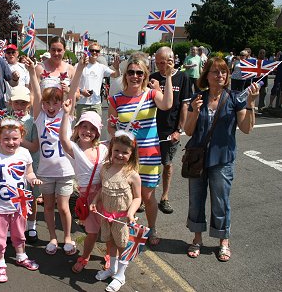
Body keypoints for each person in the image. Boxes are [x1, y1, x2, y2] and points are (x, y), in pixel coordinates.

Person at [184, 57, 260, 262]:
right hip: (198, 159)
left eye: (224, 72)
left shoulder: (235, 98)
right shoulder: (197, 98)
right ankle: (197, 238)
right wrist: (194, 112)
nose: (221, 76)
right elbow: (188, 130)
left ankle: (223, 241)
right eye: (216, 72)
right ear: (206, 75)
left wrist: (251, 102)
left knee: (221, 201)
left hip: (222, 160)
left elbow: (246, 129)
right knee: (196, 201)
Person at [107, 57, 173, 246]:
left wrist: (168, 77)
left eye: (139, 73)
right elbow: (111, 126)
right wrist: (120, 138)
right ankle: (127, 229)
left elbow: (167, 104)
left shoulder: (151, 95)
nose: (135, 76)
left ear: (144, 75)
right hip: (126, 157)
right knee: (126, 196)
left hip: (149, 155)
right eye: (131, 72)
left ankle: (152, 229)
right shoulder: (115, 99)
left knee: (147, 196)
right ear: (126, 74)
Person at [27, 54, 86, 256]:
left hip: (65, 170)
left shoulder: (66, 113)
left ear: (61, 103)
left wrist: (79, 68)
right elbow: (35, 91)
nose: (51, 107)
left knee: (63, 207)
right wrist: (31, 73)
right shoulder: (39, 116)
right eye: (47, 103)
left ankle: (67, 237)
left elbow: (73, 90)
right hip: (45, 171)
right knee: (49, 207)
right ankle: (52, 237)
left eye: (55, 103)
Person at [0, 117, 42, 283]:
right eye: (6, 138)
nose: (11, 142)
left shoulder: (24, 153)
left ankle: (21, 256)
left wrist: (33, 179)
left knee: (20, 233)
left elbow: (29, 172)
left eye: (15, 138)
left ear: (21, 137)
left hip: (20, 202)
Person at [60, 99, 108, 273]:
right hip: (88, 198)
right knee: (92, 232)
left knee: (109, 230)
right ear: (77, 128)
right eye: (84, 126)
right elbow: (63, 139)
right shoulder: (75, 148)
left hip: (106, 194)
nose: (87, 131)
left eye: (92, 128)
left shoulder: (103, 149)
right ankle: (85, 257)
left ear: (97, 132)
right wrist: (66, 114)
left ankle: (109, 255)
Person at [90, 131, 142, 292]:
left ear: (131, 154)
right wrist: (94, 201)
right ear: (111, 150)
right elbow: (102, 189)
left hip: (122, 220)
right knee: (109, 242)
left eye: (125, 152)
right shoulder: (105, 168)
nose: (120, 155)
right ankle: (112, 268)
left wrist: (131, 213)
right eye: (116, 151)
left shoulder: (132, 174)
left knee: (123, 246)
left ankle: (121, 275)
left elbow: (138, 198)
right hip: (106, 215)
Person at [150, 47, 190, 214]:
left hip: (170, 129)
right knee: (148, 166)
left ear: (171, 61)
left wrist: (178, 130)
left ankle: (164, 197)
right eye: (157, 62)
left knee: (167, 164)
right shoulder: (152, 78)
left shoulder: (183, 77)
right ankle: (146, 197)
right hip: (152, 129)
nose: (160, 65)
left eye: (163, 62)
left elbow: (185, 105)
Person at [8, 86, 40, 243]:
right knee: (11, 195)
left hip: (29, 166)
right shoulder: (6, 121)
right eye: (16, 103)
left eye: (23, 103)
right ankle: (10, 226)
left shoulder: (32, 121)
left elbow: (35, 146)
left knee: (31, 196)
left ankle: (31, 225)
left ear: (29, 104)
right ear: (11, 103)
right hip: (10, 166)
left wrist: (19, 140)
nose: (20, 106)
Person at [76, 42, 120, 120]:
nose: (94, 52)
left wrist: (116, 68)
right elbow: (72, 83)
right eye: (92, 50)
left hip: (96, 105)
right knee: (80, 131)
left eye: (97, 51)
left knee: (96, 130)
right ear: (88, 51)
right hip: (82, 104)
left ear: (99, 53)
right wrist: (81, 91)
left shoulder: (101, 67)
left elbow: (116, 75)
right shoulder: (80, 65)